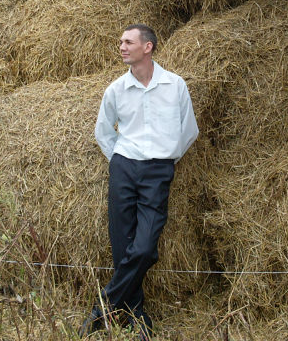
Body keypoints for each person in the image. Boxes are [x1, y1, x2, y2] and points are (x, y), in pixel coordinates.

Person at [80, 24, 199, 339]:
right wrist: (119, 160)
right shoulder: (116, 89)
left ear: (147, 47)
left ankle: (103, 309)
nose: (122, 46)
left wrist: (166, 159)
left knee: (145, 248)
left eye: (128, 41)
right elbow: (103, 132)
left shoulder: (175, 86)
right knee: (122, 246)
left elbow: (189, 131)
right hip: (123, 168)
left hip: (158, 170)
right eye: (120, 41)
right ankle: (135, 315)